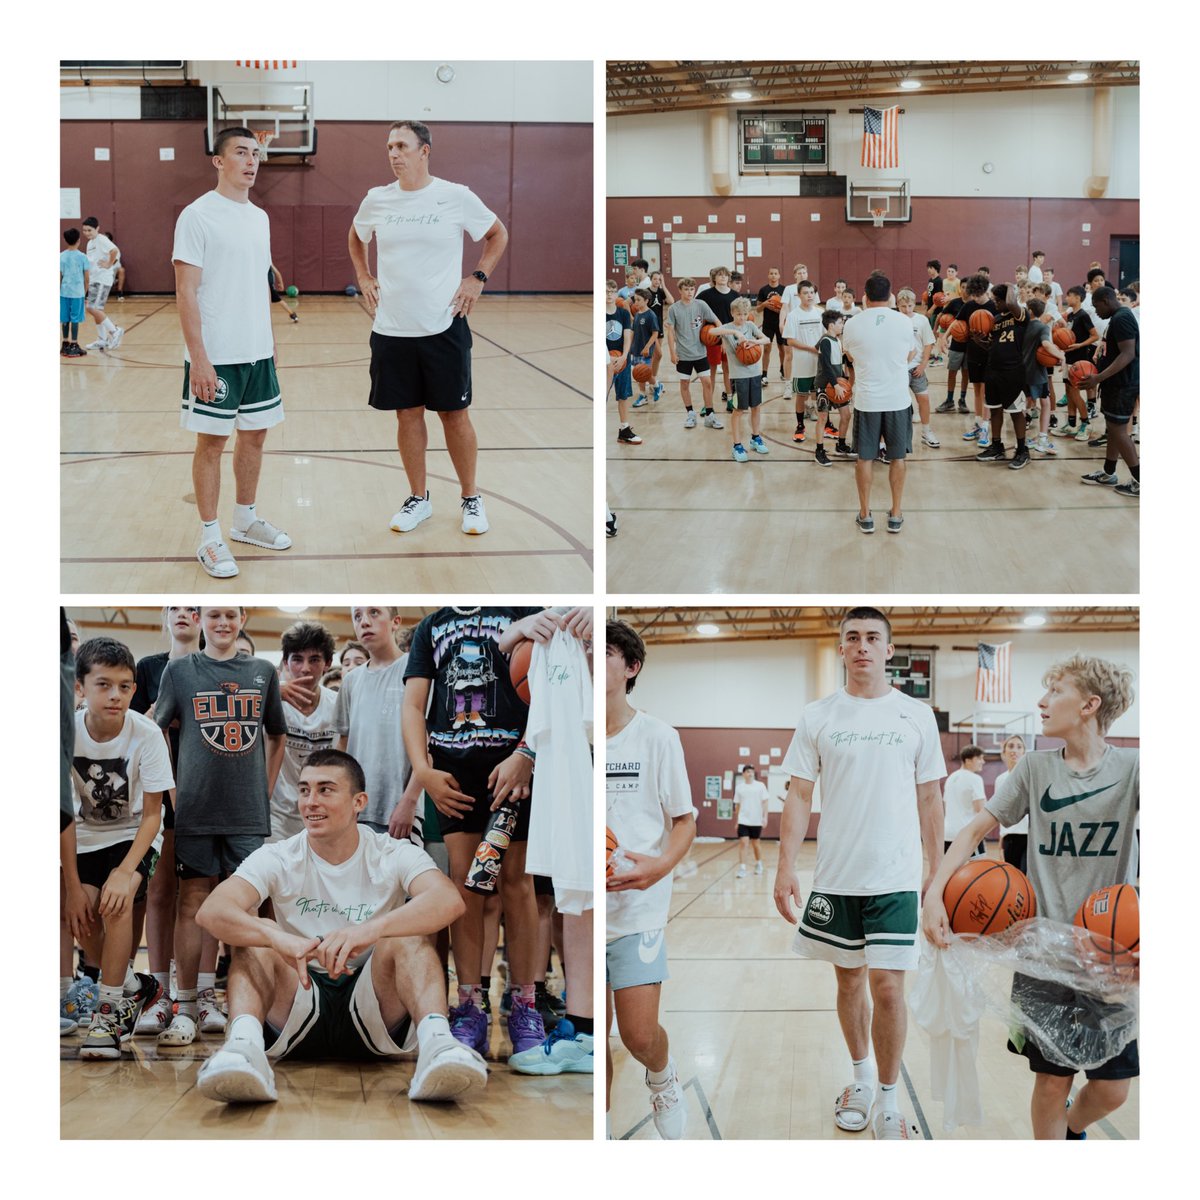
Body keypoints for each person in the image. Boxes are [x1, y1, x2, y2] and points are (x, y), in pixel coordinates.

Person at [193, 749, 488, 1104]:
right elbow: (213, 911)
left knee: (409, 936)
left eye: (325, 790)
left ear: (358, 802)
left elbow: (449, 901)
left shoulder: (391, 851)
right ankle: (242, 1049)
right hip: (297, 999)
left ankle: (438, 1046)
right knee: (253, 936)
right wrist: (276, 936)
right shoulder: (278, 855)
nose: (310, 802)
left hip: (376, 1006)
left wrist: (370, 931)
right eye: (304, 790)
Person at [922, 655, 1138, 1140]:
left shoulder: (1133, 768)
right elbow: (975, 829)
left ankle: (1070, 1131)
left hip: (1111, 953)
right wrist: (935, 892)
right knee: (1050, 1080)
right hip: (1043, 952)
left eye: (1055, 691)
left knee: (1113, 1089)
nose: (1041, 702)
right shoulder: (1036, 769)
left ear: (1089, 704)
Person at [774, 607, 945, 1140]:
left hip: (893, 875)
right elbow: (799, 794)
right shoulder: (817, 715)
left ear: (889, 649)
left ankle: (891, 1099)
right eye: (853, 638)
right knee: (848, 979)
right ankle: (862, 1078)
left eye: (873, 637)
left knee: (889, 988)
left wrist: (936, 877)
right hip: (835, 876)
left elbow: (930, 797)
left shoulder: (916, 716)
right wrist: (784, 867)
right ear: (842, 648)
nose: (862, 646)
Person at [402, 606, 561, 1062]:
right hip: (453, 770)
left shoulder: (525, 611)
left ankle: (525, 1004)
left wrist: (528, 752)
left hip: (513, 767)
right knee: (465, 885)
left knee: (516, 883)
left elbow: (548, 690)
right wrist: (422, 770)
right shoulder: (432, 625)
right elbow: (414, 705)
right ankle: (469, 1004)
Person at [348, 120, 508, 537]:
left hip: (444, 327)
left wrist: (477, 278)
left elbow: (496, 235)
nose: (393, 153)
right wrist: (364, 275)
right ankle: (418, 498)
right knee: (407, 415)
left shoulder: (455, 197)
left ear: (425, 151)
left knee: (455, 415)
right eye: (389, 147)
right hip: (392, 330)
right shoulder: (377, 199)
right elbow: (356, 236)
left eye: (402, 145)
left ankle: (471, 498)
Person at [153, 606, 286, 1047]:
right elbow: (158, 733)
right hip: (196, 810)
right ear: (203, 619)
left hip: (246, 813)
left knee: (247, 910)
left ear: (243, 617)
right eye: (214, 615)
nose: (222, 622)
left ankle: (255, 1011)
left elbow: (276, 734)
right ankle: (187, 1005)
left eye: (230, 615)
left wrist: (262, 792)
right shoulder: (178, 671)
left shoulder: (264, 671)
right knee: (192, 902)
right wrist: (173, 793)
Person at [173, 128, 291, 579]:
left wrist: (271, 340)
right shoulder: (197, 216)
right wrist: (198, 356)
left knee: (256, 435)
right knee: (212, 443)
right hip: (216, 354)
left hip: (257, 352)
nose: (251, 160)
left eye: (256, 154)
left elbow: (258, 284)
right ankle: (209, 536)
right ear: (218, 161)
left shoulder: (259, 218)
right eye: (241, 152)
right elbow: (186, 291)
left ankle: (245, 520)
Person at [605, 620, 696, 1139]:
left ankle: (662, 1078)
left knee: (639, 1036)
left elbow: (685, 822)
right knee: (599, 1044)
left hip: (638, 909)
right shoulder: (572, 735)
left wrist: (658, 868)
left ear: (632, 667)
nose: (598, 662)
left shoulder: (658, 737)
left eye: (609, 654)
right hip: (580, 907)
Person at [64, 637, 170, 1058]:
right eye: (104, 685)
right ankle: (129, 985)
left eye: (125, 686)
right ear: (80, 688)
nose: (116, 695)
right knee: (79, 913)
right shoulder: (64, 733)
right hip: (85, 834)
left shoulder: (146, 733)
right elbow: (62, 816)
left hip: (135, 835)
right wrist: (72, 886)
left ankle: (108, 1017)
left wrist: (126, 872)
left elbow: (153, 814)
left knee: (118, 901)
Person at [131, 606, 206, 1034]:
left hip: (205, 790)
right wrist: (162, 716)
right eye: (174, 608)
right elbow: (137, 723)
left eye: (192, 609)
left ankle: (195, 992)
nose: (183, 614)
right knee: (160, 891)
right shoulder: (149, 668)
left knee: (198, 895)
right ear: (165, 617)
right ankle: (157, 991)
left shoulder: (210, 666)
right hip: (160, 789)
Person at [335, 606, 419, 840]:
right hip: (355, 809)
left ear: (395, 622)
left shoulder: (416, 670)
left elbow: (429, 745)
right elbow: (342, 745)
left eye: (374, 613)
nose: (364, 622)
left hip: (400, 808)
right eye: (357, 616)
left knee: (400, 877)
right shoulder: (351, 681)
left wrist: (409, 801)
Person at [840, 275, 916, 534]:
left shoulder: (851, 324)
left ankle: (865, 515)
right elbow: (909, 355)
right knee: (897, 457)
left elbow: (849, 356)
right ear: (892, 296)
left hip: (868, 401)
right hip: (897, 400)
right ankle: (895, 515)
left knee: (865, 458)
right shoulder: (905, 322)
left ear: (864, 295)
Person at [271, 621, 340, 843]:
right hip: (277, 816)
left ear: (328, 663)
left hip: (323, 814)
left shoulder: (337, 705)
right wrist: (271, 690)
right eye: (297, 659)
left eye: (314, 659)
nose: (305, 668)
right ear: (285, 662)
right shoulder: (269, 700)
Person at [1076, 286, 1140, 499]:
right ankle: (1109, 472)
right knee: (1113, 428)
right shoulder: (1118, 316)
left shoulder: (1122, 318)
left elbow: (1128, 354)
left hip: (1123, 384)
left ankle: (1140, 481)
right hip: (1116, 384)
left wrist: (1098, 378)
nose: (1096, 311)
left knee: (1120, 431)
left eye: (1096, 306)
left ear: (1106, 300)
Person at [975, 283, 1031, 468]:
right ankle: (997, 446)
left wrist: (1009, 287)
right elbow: (991, 346)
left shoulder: (1020, 315)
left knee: (1016, 412)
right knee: (995, 409)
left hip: (1013, 372)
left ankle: (1022, 450)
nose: (995, 303)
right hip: (993, 370)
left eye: (997, 300)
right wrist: (979, 342)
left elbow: (1010, 301)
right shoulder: (995, 319)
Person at [712, 298, 771, 461]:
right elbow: (711, 332)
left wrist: (754, 341)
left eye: (745, 314)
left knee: (756, 407)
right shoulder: (727, 328)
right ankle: (737, 445)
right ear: (732, 313)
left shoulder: (750, 326)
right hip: (739, 377)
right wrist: (734, 332)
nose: (742, 318)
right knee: (738, 411)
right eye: (739, 314)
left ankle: (755, 438)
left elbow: (767, 340)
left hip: (755, 373)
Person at [664, 278, 721, 430]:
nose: (690, 292)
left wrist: (720, 337)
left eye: (691, 289)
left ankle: (710, 415)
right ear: (680, 291)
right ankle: (690, 414)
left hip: (701, 353)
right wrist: (672, 352)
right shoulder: (674, 309)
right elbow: (670, 332)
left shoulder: (701, 305)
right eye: (686, 289)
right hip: (683, 354)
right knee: (684, 384)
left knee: (707, 383)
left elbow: (716, 320)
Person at [896, 288, 938, 449]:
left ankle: (926, 431)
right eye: (903, 306)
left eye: (910, 306)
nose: (907, 310)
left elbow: (928, 344)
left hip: (917, 368)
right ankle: (899, 437)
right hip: (899, 369)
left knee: (924, 400)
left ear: (916, 304)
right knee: (900, 405)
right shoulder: (895, 320)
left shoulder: (921, 321)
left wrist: (922, 365)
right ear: (898, 306)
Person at [782, 281, 824, 444]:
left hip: (818, 362)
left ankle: (816, 414)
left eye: (812, 292)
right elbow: (790, 340)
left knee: (817, 392)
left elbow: (826, 335)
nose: (809, 296)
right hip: (802, 363)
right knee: (801, 395)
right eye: (806, 293)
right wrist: (811, 348)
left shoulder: (820, 313)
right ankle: (800, 426)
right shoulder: (793, 315)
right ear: (799, 295)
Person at [812, 310, 855, 465]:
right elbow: (826, 365)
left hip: (837, 384)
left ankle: (841, 445)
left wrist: (844, 378)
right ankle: (819, 451)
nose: (842, 325)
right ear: (831, 325)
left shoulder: (837, 340)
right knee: (823, 417)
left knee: (846, 415)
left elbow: (838, 363)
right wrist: (836, 385)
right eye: (840, 322)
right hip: (825, 385)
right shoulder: (825, 341)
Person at [605, 278, 641, 443]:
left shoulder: (624, 313)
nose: (609, 295)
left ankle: (624, 429)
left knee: (623, 395)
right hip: (606, 360)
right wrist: (608, 358)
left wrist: (624, 356)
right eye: (605, 291)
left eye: (612, 291)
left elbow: (628, 336)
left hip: (622, 359)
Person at [80, 218, 124, 351]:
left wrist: (109, 264)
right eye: (84, 230)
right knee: (96, 309)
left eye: (89, 230)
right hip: (95, 279)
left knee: (92, 308)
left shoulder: (102, 239)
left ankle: (115, 330)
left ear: (97, 228)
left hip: (103, 279)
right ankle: (102, 339)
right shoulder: (90, 243)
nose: (87, 233)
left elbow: (115, 251)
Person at [942, 745, 986, 857]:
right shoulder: (975, 779)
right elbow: (980, 809)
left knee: (952, 872)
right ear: (968, 760)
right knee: (978, 872)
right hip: (967, 835)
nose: (983, 761)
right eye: (979, 758)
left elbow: (945, 805)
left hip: (948, 835)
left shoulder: (950, 778)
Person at [994, 735, 1028, 870]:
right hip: (1010, 836)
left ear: (1024, 753)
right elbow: (1000, 811)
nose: (1015, 750)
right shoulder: (1000, 780)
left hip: (1030, 835)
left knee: (1027, 877)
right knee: (1014, 877)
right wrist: (1001, 836)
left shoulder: (1030, 776)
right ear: (1004, 752)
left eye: (1019, 747)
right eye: (1011, 746)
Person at [628, 288, 660, 412]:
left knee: (641, 373)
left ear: (646, 300)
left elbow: (655, 333)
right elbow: (633, 331)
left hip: (645, 351)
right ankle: (657, 385)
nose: (636, 302)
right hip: (636, 349)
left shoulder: (651, 315)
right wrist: (629, 346)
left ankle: (642, 396)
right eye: (635, 300)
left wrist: (647, 346)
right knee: (640, 373)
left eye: (638, 300)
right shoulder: (637, 314)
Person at [60, 228, 90, 358]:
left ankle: (65, 343)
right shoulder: (83, 257)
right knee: (75, 319)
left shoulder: (61, 256)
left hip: (64, 292)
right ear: (78, 240)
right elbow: (87, 277)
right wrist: (85, 292)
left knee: (65, 318)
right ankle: (74, 344)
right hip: (77, 293)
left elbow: (59, 276)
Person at [733, 765, 768, 877]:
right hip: (743, 820)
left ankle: (759, 864)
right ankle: (742, 868)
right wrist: (737, 820)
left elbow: (765, 802)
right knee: (743, 843)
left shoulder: (760, 786)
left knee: (756, 844)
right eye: (748, 771)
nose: (750, 773)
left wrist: (765, 817)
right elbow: (737, 805)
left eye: (752, 771)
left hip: (756, 820)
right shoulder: (739, 788)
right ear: (743, 774)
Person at [755, 266, 787, 383]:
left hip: (781, 324)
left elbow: (788, 308)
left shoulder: (784, 290)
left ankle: (783, 370)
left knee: (782, 348)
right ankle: (764, 374)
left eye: (775, 273)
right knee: (767, 348)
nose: (773, 275)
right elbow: (757, 310)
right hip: (767, 324)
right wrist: (765, 304)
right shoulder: (763, 290)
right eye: (771, 273)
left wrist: (780, 309)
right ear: (768, 275)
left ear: (779, 276)